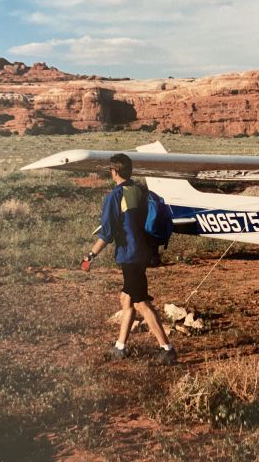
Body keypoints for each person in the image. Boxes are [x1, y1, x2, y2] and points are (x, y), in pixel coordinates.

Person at [82, 153, 177, 365]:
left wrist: (90, 255)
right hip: (144, 253)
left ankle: (167, 349)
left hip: (130, 255)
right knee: (127, 298)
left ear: (114, 172)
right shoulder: (141, 190)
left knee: (141, 302)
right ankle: (120, 347)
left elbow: (106, 233)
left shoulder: (115, 197)